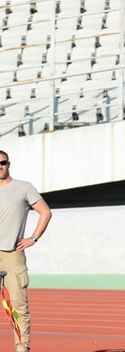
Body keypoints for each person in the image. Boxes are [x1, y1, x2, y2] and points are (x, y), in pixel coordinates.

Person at [0, 150, 53, 352]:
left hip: (13, 256)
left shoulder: (24, 188)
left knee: (18, 306)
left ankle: (22, 347)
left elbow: (45, 212)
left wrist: (33, 238)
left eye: (2, 162)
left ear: (8, 164)